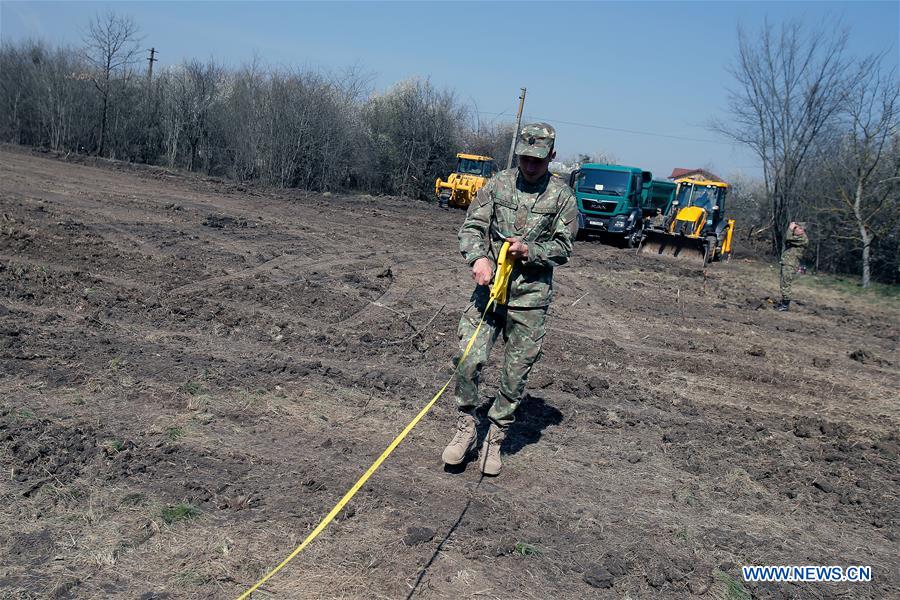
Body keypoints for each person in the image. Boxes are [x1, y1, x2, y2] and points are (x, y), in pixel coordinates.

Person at [441, 123, 579, 476]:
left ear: (551, 156)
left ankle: (495, 438)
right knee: (468, 358)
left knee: (514, 374)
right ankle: (467, 426)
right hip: (489, 293)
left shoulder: (562, 197)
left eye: (537, 160)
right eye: (524, 158)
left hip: (530, 300)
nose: (529, 166)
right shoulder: (498, 183)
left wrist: (530, 250)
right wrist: (478, 258)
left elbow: (564, 248)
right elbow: (473, 226)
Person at [778, 221, 809, 311]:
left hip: (791, 264)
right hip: (787, 262)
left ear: (802, 230)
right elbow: (786, 239)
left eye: (797, 228)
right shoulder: (797, 238)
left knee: (786, 284)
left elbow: (788, 237)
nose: (795, 230)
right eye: (795, 228)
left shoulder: (803, 239)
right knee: (783, 283)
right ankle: (784, 302)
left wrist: (790, 228)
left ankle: (785, 305)